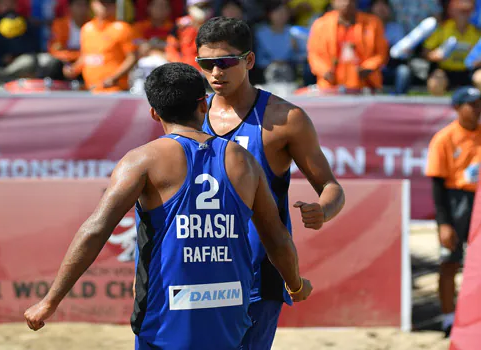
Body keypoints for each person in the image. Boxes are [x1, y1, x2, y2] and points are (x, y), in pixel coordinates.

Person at [23, 62, 313, 349]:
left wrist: (50, 301)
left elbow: (96, 230)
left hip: (166, 318)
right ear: (204, 105)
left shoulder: (142, 160)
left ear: (154, 112)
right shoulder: (244, 160)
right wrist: (295, 285)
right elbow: (276, 237)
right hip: (229, 315)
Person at [197, 17, 345, 349]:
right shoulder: (192, 115)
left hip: (258, 274)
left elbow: (331, 187)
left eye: (225, 62)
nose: (216, 72)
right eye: (207, 64)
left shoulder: (285, 120)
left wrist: (324, 209)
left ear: (249, 60)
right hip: (199, 269)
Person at [425, 86, 481, 337]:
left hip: (478, 200)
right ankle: (449, 319)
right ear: (457, 108)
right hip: (455, 200)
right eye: (472, 104)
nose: (477, 108)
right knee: (449, 262)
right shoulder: (444, 138)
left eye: (479, 103)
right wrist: (443, 223)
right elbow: (437, 183)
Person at [307, 0, 388, 93]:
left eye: (351, 0)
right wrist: (324, 71)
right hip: (329, 87)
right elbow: (313, 54)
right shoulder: (321, 24)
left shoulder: (373, 23)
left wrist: (367, 68)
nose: (346, 3)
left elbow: (381, 53)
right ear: (333, 2)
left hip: (365, 85)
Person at [63, 0, 138, 93]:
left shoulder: (123, 28)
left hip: (114, 90)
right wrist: (73, 69)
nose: (105, 7)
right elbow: (85, 56)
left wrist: (114, 78)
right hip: (90, 89)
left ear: (115, 6)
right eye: (102, 3)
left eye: (109, 3)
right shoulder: (86, 28)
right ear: (93, 4)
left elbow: (132, 58)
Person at [424, 0, 481, 96]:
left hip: (468, 72)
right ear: (451, 11)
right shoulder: (442, 29)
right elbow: (426, 52)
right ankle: (436, 110)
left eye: (467, 11)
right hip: (446, 70)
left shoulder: (477, 33)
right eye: (460, 11)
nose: (463, 15)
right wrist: (435, 55)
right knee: (435, 82)